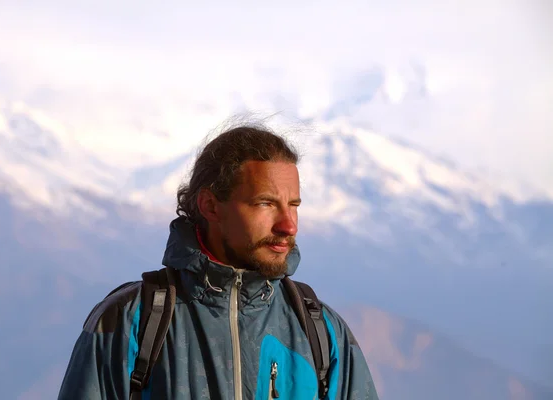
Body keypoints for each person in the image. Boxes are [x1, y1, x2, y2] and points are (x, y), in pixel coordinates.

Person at [57, 125, 379, 399]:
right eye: (265, 203)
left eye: (293, 205)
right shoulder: (130, 323)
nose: (288, 226)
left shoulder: (322, 332)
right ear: (211, 206)